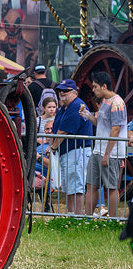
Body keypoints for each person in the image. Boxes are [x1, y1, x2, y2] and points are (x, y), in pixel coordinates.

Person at [80, 71, 126, 217]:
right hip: (98, 150)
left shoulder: (117, 103)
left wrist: (107, 154)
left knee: (111, 187)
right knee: (91, 185)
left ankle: (112, 220)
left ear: (104, 86)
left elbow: (116, 129)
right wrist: (87, 115)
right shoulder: (105, 102)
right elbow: (101, 123)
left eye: (95, 87)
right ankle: (87, 218)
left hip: (111, 153)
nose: (93, 90)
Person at [49, 79, 93, 214]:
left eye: (66, 90)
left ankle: (77, 216)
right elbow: (58, 130)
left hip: (77, 151)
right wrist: (52, 146)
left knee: (77, 186)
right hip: (68, 152)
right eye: (60, 90)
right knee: (69, 186)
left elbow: (63, 131)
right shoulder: (64, 107)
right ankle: (70, 214)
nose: (62, 93)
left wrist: (53, 147)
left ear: (74, 92)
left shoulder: (76, 106)